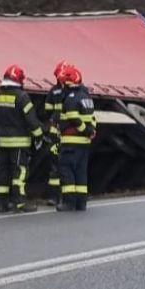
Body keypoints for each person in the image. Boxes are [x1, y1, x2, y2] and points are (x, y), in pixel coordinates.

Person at [0, 64, 45, 213]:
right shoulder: (22, 97)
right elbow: (31, 120)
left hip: (2, 141)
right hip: (20, 142)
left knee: (2, 172)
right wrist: (39, 135)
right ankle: (19, 202)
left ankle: (2, 204)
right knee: (19, 172)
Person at [57, 64, 97, 212]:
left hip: (71, 142)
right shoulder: (87, 97)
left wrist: (85, 131)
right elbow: (92, 118)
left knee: (66, 170)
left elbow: (74, 118)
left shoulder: (71, 98)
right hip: (84, 144)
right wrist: (91, 131)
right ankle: (81, 203)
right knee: (81, 172)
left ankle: (69, 202)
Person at [41, 61, 71, 207]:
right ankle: (56, 196)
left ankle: (65, 196)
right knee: (56, 166)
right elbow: (47, 112)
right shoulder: (71, 92)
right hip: (61, 133)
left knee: (64, 165)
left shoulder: (54, 91)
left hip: (64, 132)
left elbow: (47, 111)